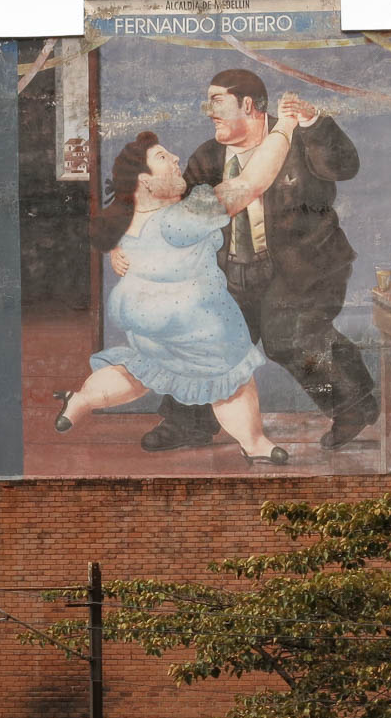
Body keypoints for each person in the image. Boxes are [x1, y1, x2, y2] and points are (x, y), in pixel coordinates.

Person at [140, 68, 378, 453]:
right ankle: (188, 423)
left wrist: (315, 121)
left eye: (217, 100)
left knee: (286, 334)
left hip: (304, 264)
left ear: (247, 104)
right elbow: (185, 217)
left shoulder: (301, 139)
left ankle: (354, 403)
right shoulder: (207, 157)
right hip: (233, 270)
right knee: (205, 335)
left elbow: (346, 167)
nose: (209, 111)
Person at [53, 98, 303, 465]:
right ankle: (255, 442)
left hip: (141, 319)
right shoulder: (181, 217)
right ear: (145, 181)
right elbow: (251, 182)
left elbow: (122, 243)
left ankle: (82, 400)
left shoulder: (128, 220)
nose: (175, 160)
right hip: (191, 321)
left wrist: (114, 253)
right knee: (231, 374)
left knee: (143, 369)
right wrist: (286, 126)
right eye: (163, 158)